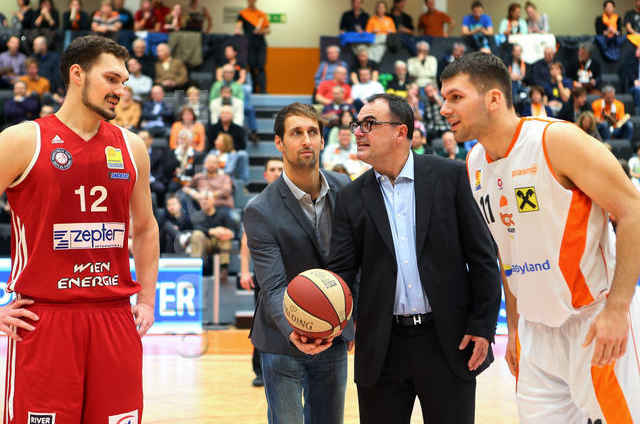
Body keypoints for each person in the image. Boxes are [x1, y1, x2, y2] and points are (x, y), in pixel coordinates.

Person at [440, 50, 640, 423]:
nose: (444, 109)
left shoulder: (556, 140)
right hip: (536, 333)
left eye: (455, 97)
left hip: (594, 320)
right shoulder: (474, 164)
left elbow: (633, 211)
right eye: (444, 99)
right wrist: (516, 325)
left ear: (493, 98)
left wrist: (616, 310)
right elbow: (508, 250)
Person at [0, 34, 157, 423]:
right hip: (44, 317)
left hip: (115, 316)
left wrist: (147, 300)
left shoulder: (132, 146)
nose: (120, 90)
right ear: (77, 74)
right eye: (111, 79)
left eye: (124, 81)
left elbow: (145, 227)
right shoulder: (22, 140)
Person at [327, 93, 501, 423]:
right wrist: (320, 324)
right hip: (382, 348)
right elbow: (341, 274)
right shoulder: (350, 197)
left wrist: (482, 325)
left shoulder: (451, 176)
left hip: (449, 342)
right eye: (357, 125)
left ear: (401, 132)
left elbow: (482, 258)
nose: (358, 132)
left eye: (369, 124)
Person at [243, 103, 352, 423]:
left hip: (333, 334)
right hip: (283, 339)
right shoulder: (260, 209)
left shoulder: (346, 189)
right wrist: (297, 331)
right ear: (279, 142)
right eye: (296, 133)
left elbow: (355, 261)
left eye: (312, 132)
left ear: (322, 140)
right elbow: (273, 284)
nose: (306, 140)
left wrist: (349, 321)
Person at [239, 157, 283, 387]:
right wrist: (244, 271)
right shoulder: (256, 203)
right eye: (272, 169)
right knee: (262, 320)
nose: (276, 172)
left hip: (290, 270)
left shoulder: (294, 199)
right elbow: (246, 239)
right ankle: (259, 370)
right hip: (264, 273)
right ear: (265, 175)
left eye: (279, 169)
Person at [189, 189, 237, 279]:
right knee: (196, 234)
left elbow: (233, 229)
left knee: (226, 237)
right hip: (204, 243)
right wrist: (212, 231)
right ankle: (195, 268)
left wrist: (228, 233)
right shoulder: (196, 215)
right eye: (201, 200)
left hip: (219, 242)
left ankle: (223, 269)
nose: (204, 202)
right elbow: (195, 228)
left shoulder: (223, 213)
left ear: (213, 200)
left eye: (206, 199)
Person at [235, 0, 270, 94]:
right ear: (247, 0)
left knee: (261, 66)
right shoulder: (242, 13)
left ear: (255, 0)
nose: (251, 0)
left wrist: (261, 31)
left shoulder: (261, 14)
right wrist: (237, 32)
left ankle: (263, 90)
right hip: (249, 44)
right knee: (252, 67)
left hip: (260, 44)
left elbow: (268, 30)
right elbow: (238, 27)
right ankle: (254, 90)